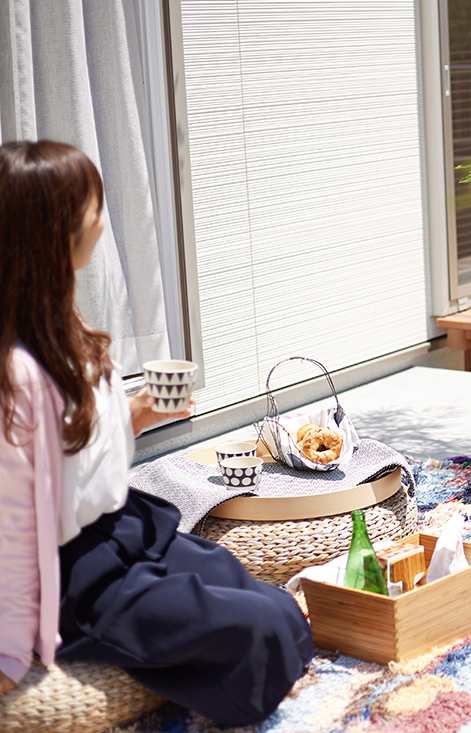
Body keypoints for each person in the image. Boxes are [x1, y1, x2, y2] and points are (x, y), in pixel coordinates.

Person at [0, 140, 313, 725]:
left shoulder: (58, 320)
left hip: (123, 529)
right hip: (72, 576)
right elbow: (13, 525)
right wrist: (10, 650)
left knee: (276, 602)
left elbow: (74, 450)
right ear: (59, 232)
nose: (102, 217)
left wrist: (135, 416)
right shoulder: (16, 374)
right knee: (265, 632)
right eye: (94, 206)